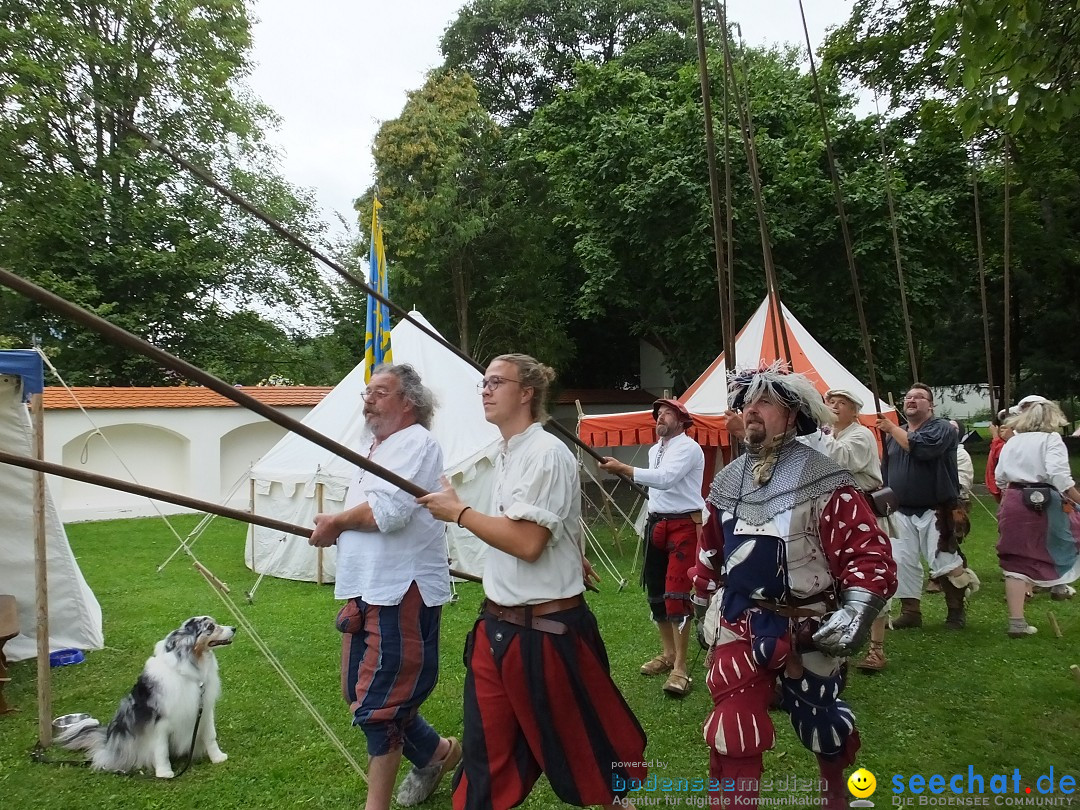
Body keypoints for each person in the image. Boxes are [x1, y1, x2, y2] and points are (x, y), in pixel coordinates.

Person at [418, 353, 646, 810]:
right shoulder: (509, 452)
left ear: (526, 393)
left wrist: (458, 512)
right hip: (496, 630)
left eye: (496, 382)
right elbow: (550, 526)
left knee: (588, 751)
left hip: (545, 634)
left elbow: (526, 542)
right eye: (484, 382)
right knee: (485, 754)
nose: (485, 389)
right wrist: (569, 553)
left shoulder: (545, 452)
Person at [691, 364, 896, 810]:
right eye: (747, 402)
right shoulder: (728, 480)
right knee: (733, 730)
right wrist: (700, 596)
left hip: (808, 625)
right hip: (741, 621)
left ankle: (839, 797)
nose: (750, 411)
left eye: (764, 402)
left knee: (822, 726)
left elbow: (868, 553)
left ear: (794, 414)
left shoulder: (826, 479)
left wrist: (857, 610)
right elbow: (711, 548)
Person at [308, 364, 459, 810]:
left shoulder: (417, 442)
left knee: (381, 706)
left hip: (401, 587)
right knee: (360, 691)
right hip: (366, 588)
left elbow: (387, 514)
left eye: (380, 392)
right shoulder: (374, 446)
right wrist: (336, 525)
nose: (368, 399)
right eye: (367, 392)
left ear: (408, 401)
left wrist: (337, 521)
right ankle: (439, 755)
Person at [599, 398, 705, 697]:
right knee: (656, 594)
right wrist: (628, 471)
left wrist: (624, 468)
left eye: (667, 413)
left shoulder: (688, 448)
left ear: (682, 420)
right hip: (657, 524)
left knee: (677, 596)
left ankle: (681, 667)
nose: (660, 418)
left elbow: (666, 479)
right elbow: (657, 485)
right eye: (658, 414)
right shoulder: (654, 450)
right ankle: (669, 654)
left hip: (684, 525)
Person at [875, 384, 978, 630]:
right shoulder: (894, 433)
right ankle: (911, 612)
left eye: (919, 397)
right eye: (908, 397)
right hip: (901, 510)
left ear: (930, 405)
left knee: (944, 559)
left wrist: (890, 429)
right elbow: (886, 470)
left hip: (937, 508)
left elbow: (922, 449)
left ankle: (955, 612)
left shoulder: (942, 429)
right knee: (902, 560)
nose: (912, 400)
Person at [995, 398, 1080, 636]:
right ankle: (1059, 585)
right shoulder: (1051, 439)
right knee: (1068, 539)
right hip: (1045, 502)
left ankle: (1017, 622)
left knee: (1014, 558)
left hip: (1013, 499)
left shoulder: (1012, 441)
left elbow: (1000, 476)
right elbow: (1060, 477)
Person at [821, 388, 891, 674]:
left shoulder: (860, 435)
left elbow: (841, 461)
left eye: (842, 403)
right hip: (840, 514)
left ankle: (877, 649)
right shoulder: (831, 434)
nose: (835, 407)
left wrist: (818, 435)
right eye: (831, 403)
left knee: (869, 575)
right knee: (837, 578)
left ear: (854, 411)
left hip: (864, 514)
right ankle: (841, 640)